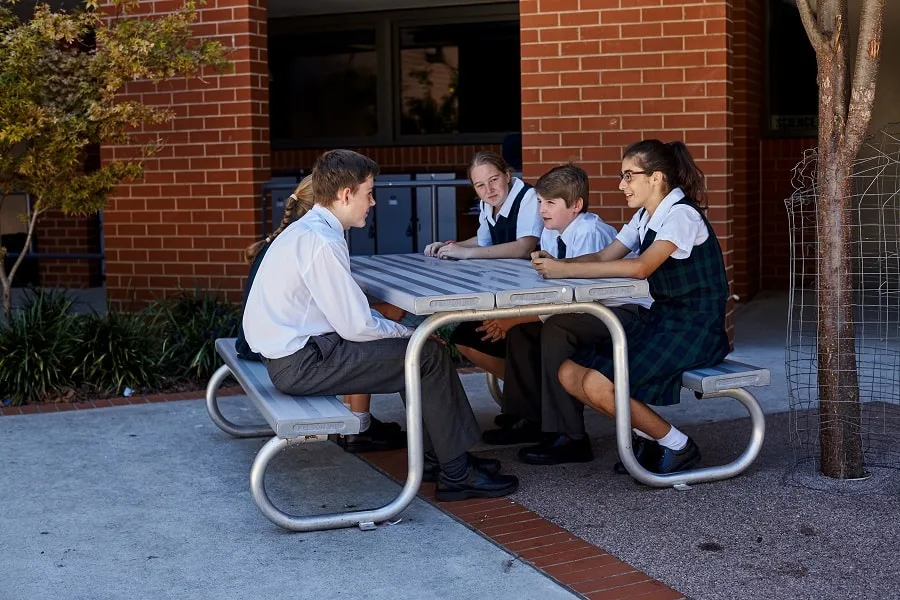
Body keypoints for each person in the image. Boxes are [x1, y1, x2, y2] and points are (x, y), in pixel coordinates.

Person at [243, 149, 518, 501]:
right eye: (368, 193)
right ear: (345, 194)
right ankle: (457, 472)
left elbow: (347, 319)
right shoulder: (322, 241)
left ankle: (440, 459)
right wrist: (411, 333)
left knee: (411, 354)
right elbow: (356, 326)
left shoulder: (309, 230)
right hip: (302, 363)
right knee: (424, 355)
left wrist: (406, 336)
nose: (372, 202)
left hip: (296, 355)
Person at [534, 139, 730, 476]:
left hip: (695, 328)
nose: (621, 185)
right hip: (661, 321)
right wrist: (557, 263)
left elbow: (641, 267)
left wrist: (564, 270)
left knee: (597, 383)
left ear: (656, 178)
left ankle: (678, 445)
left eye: (628, 176)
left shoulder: (681, 215)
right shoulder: (644, 216)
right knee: (570, 374)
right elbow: (602, 257)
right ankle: (646, 435)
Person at [236, 176, 405, 453]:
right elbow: (347, 322)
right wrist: (392, 322)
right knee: (369, 336)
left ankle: (362, 423)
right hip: (274, 353)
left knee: (359, 328)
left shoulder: (290, 237)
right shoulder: (316, 241)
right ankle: (360, 426)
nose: (371, 202)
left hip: (264, 344)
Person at [478, 164, 634, 460]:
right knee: (524, 333)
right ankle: (530, 419)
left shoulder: (588, 230)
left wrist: (516, 318)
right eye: (539, 202)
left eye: (550, 203)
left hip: (613, 312)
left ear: (576, 206)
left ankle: (571, 436)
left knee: (553, 330)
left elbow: (581, 301)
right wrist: (519, 320)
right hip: (582, 311)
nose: (542, 211)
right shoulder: (552, 233)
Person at [423, 151, 543, 380]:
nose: (488, 190)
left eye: (493, 180)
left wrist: (466, 253)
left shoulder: (528, 197)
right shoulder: (488, 204)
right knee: (464, 337)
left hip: (533, 297)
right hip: (507, 293)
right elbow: (483, 241)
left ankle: (529, 394)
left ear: (507, 176)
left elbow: (524, 247)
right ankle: (526, 393)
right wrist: (451, 246)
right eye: (480, 185)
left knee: (478, 337)